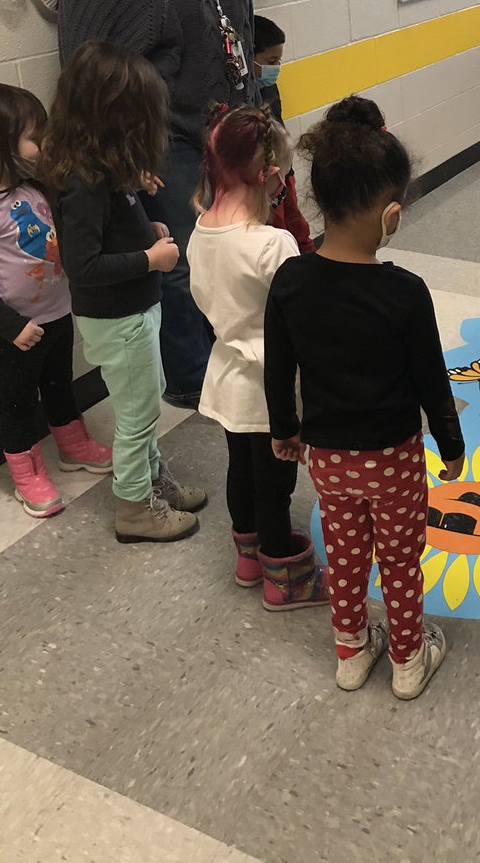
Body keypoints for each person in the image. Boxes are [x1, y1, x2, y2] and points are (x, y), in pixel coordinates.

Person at [57, 0, 257, 409]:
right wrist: (124, 153)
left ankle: (219, 357)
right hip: (158, 134)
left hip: (215, 122)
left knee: (220, 247)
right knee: (174, 255)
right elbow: (91, 57)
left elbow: (225, 10)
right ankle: (190, 379)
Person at [264, 97, 465, 700]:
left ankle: (351, 654)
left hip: (326, 457)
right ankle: (408, 661)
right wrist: (450, 444)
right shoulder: (405, 292)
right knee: (401, 561)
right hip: (394, 460)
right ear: (391, 214)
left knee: (347, 558)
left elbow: (280, 367)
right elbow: (432, 379)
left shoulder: (292, 279)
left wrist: (285, 428)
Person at [39, 41, 207, 543]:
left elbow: (116, 226)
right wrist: (150, 259)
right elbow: (84, 265)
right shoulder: (84, 184)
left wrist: (146, 226)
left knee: (145, 404)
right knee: (137, 416)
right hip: (120, 317)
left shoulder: (104, 170)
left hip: (133, 310)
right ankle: (134, 506)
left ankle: (150, 481)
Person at [187, 104, 327, 611]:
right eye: (284, 179)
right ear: (268, 176)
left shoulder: (200, 231)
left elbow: (208, 304)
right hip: (271, 387)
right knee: (275, 485)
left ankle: (248, 560)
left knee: (241, 471)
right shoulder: (274, 244)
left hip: (225, 375)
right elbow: (301, 325)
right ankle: (283, 579)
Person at [0, 83, 111, 518]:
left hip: (57, 313)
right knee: (20, 402)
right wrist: (10, 327)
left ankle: (73, 443)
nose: (43, 144)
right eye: (33, 135)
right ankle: (26, 474)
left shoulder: (36, 188)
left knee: (61, 383)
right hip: (15, 331)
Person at [254, 16, 314, 254]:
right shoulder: (239, 98)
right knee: (277, 229)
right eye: (270, 61)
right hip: (264, 179)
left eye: (278, 60)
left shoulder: (268, 86)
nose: (276, 67)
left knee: (295, 223)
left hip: (283, 172)